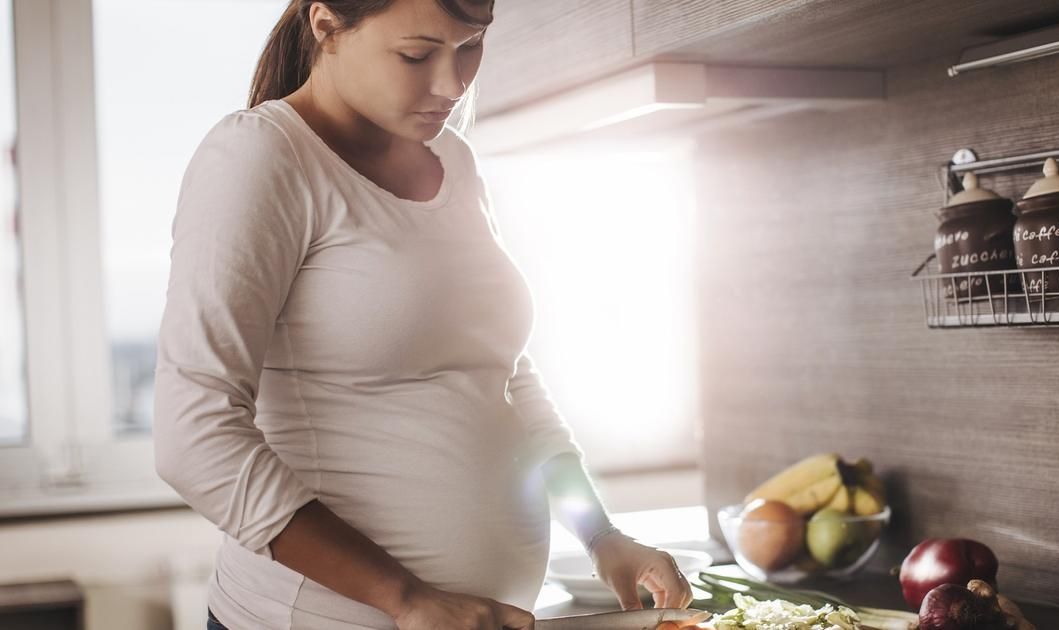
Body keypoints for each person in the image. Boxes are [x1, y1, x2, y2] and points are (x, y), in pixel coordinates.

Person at [152, 1, 693, 629]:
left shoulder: (453, 161)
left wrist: (600, 535)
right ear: (326, 26)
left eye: (471, 45)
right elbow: (195, 437)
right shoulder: (263, 157)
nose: (452, 83)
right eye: (416, 54)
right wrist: (403, 598)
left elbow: (505, 377)